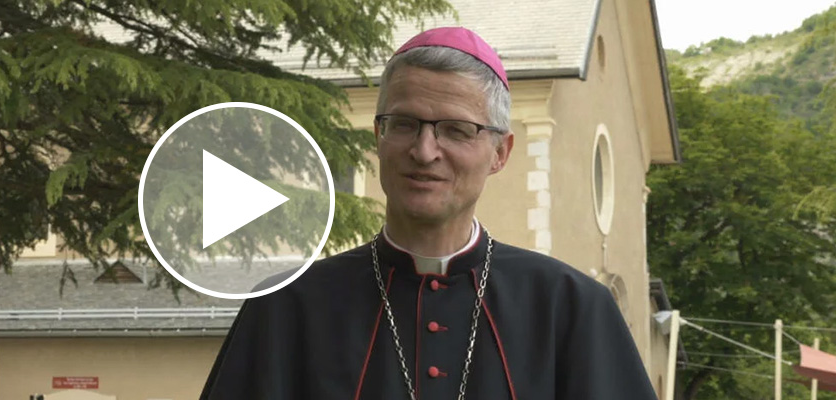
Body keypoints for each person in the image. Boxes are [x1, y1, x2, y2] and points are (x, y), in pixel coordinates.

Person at [200, 27, 657, 399]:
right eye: (404, 124)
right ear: (378, 137)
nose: (424, 151)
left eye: (456, 130)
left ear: (500, 153)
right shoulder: (285, 307)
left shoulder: (572, 307)